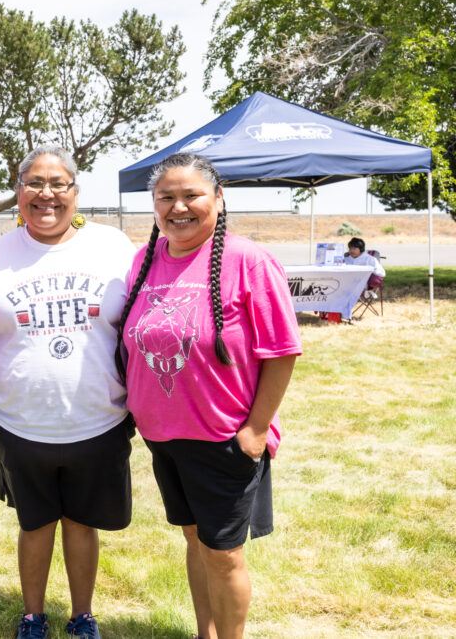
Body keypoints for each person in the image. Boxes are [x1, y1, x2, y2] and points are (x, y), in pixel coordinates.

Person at [117, 152, 302, 639]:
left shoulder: (250, 261)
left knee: (223, 554)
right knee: (195, 541)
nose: (179, 207)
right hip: (164, 436)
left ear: (218, 199)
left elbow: (281, 351)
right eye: (166, 198)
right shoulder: (145, 259)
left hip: (224, 437)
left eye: (192, 195)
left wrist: (256, 430)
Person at [0, 145, 137, 639]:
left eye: (58, 184)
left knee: (81, 523)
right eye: (34, 183)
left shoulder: (112, 247)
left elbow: (138, 322)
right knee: (34, 524)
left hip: (98, 418)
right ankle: (32, 616)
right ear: (19, 191)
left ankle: (82, 616)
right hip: (21, 420)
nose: (46, 194)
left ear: (75, 193)